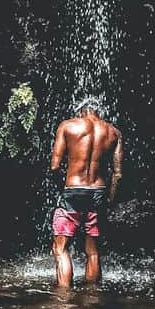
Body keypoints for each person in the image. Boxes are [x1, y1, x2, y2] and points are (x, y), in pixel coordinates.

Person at [49, 102, 123, 288]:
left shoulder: (68, 126)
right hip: (98, 192)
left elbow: (55, 166)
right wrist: (110, 200)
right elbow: (118, 173)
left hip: (73, 190)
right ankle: (91, 297)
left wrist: (63, 188)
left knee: (61, 248)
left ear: (80, 110)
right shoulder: (113, 132)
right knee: (93, 250)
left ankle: (64, 297)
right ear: (99, 111)